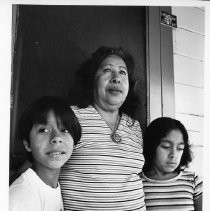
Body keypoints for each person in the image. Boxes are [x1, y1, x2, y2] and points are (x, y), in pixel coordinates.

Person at [59, 46, 146, 210]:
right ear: (92, 79)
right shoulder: (71, 116)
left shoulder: (134, 126)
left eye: (122, 72)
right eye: (107, 70)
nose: (116, 78)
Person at [9, 96, 81, 211]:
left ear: (74, 143)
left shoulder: (51, 185)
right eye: (44, 130)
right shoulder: (22, 197)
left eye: (64, 130)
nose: (57, 138)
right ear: (27, 143)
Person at [142, 117, 203, 211]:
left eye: (180, 148)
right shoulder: (137, 183)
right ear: (151, 146)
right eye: (166, 147)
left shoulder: (194, 181)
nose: (173, 155)